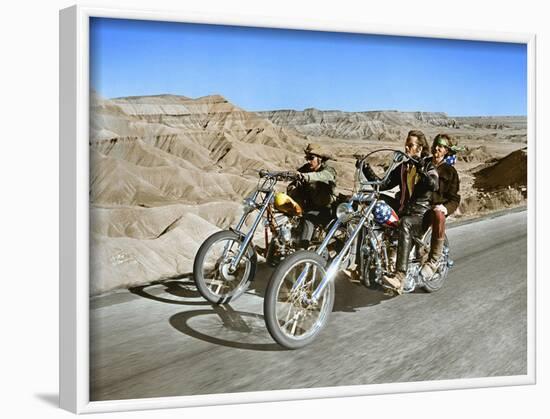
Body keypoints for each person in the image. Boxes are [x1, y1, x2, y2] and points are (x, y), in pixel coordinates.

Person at [362, 130, 439, 293]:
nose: (406, 147)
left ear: (419, 148)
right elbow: (383, 184)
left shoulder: (428, 166)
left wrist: (421, 170)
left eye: (410, 145)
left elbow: (434, 184)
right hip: (404, 210)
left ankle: (400, 277)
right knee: (371, 205)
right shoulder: (404, 167)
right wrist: (365, 167)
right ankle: (364, 265)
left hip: (421, 215)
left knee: (404, 223)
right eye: (406, 144)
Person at [420, 134, 461, 279]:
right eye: (436, 144)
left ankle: (434, 260)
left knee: (438, 214)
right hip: (418, 205)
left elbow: (455, 198)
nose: (437, 148)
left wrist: (445, 208)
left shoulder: (450, 172)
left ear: (446, 151)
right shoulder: (423, 163)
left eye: (442, 146)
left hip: (433, 209)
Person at [287, 143, 337, 248]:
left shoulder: (328, 170)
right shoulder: (306, 168)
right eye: (307, 158)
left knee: (308, 219)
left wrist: (306, 177)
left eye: (311, 158)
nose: (308, 161)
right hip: (308, 206)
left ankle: (302, 251)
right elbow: (297, 176)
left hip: (324, 209)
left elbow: (323, 176)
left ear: (320, 159)